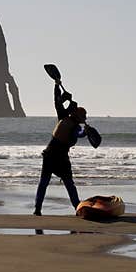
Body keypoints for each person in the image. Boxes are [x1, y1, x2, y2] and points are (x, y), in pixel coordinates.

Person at [33, 82, 87, 215]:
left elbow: (78, 134)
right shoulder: (65, 117)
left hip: (54, 155)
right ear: (78, 116)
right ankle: (38, 209)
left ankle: (75, 207)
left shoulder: (66, 119)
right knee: (61, 183)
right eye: (83, 116)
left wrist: (85, 132)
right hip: (54, 156)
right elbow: (57, 101)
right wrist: (57, 86)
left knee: (59, 183)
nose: (84, 119)